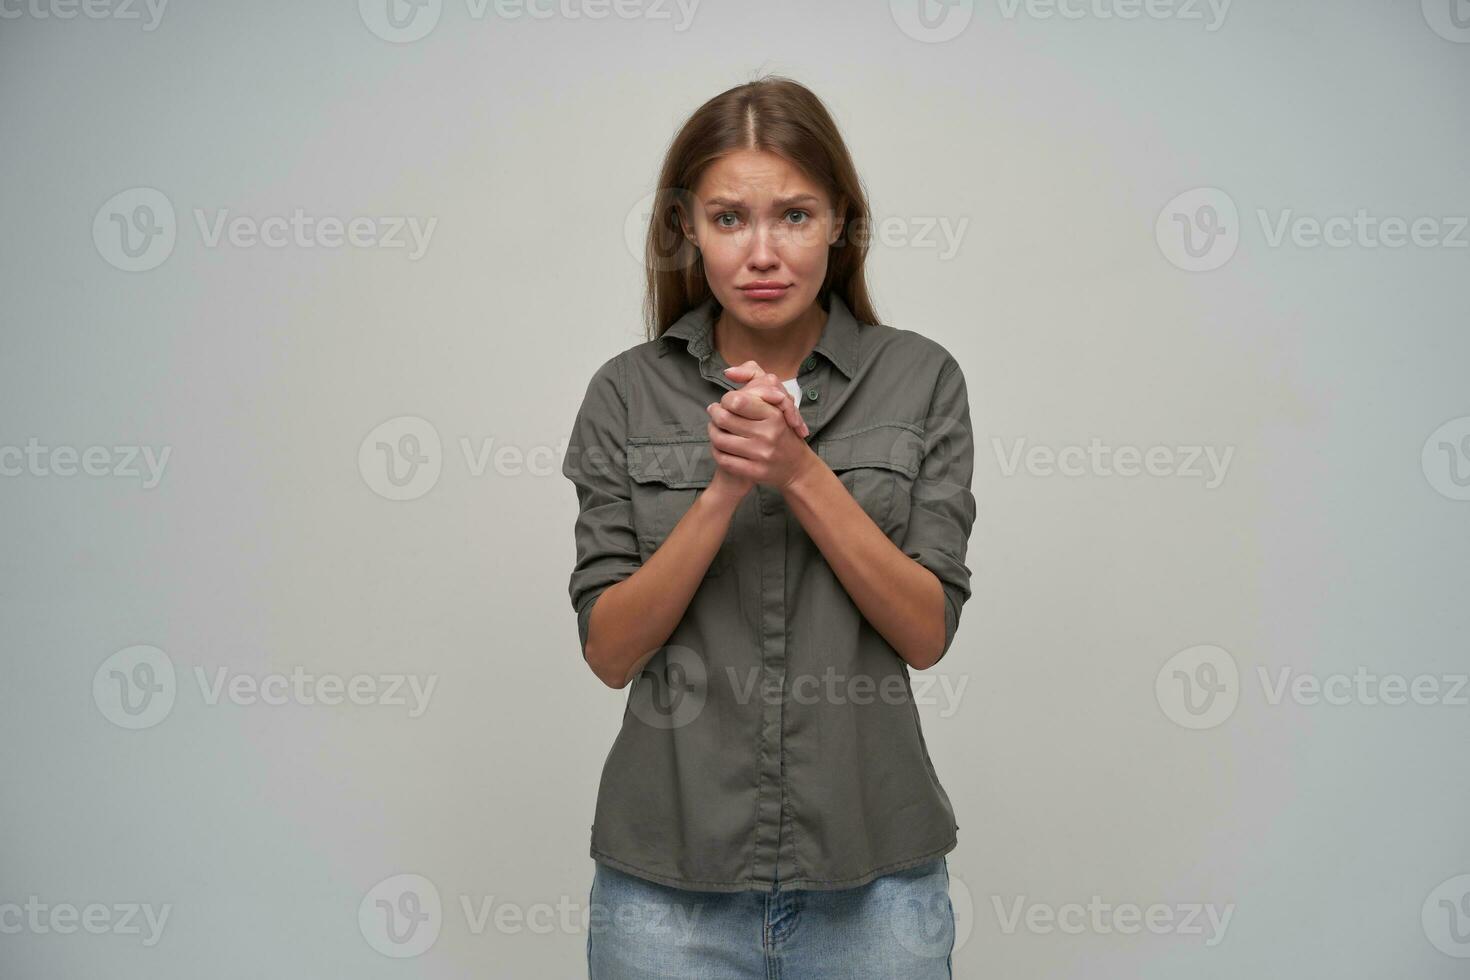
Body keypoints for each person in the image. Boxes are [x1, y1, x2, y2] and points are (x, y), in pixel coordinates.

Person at [562, 73, 976, 978]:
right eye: (726, 219)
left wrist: (796, 471)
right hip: (664, 894)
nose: (762, 252)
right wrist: (720, 491)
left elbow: (925, 629)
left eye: (793, 215)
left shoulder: (922, 380)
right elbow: (609, 651)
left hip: (877, 889)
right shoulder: (626, 394)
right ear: (687, 231)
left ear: (840, 223)